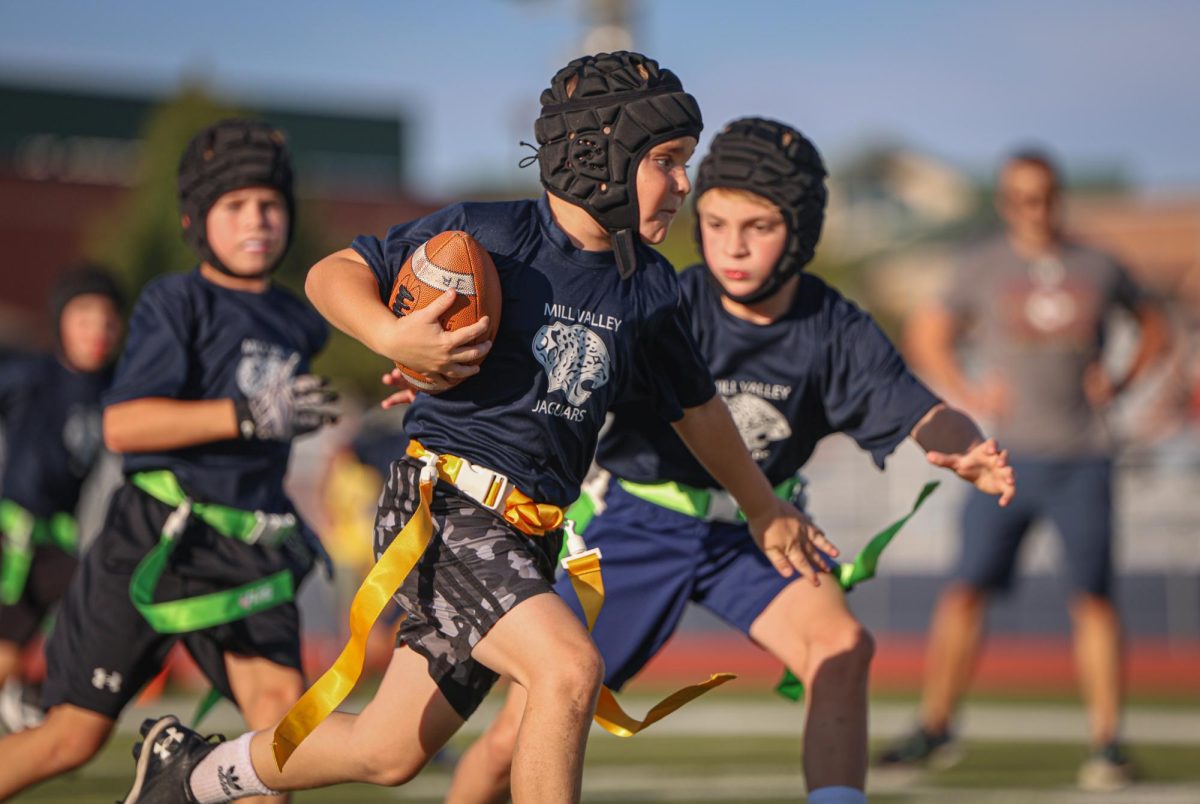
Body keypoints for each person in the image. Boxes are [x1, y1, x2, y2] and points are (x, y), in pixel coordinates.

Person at [121, 53, 836, 804]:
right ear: (598, 153)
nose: (684, 183)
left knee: (387, 750)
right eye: (666, 161)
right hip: (446, 505)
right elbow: (331, 273)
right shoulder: (487, 235)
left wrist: (763, 506)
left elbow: (698, 411)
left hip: (530, 533)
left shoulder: (650, 287)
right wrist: (391, 337)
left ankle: (191, 775)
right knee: (568, 668)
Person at [446, 118, 1016, 804]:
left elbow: (921, 409)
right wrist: (452, 371)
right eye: (715, 223)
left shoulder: (833, 327)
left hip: (762, 529)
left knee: (840, 647)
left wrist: (960, 442)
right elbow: (551, 367)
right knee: (519, 733)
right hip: (634, 525)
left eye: (759, 226)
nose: (733, 246)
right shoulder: (662, 299)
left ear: (800, 230)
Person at [0, 119, 337, 803]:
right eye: (235, 206)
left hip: (252, 549)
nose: (257, 221)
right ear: (196, 219)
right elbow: (124, 425)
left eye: (269, 205)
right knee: (72, 737)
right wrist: (246, 416)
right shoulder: (174, 301)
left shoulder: (302, 320)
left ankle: (179, 780)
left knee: (283, 743)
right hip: (159, 538)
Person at [877, 149, 1169, 792]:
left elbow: (1154, 324)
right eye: (1021, 199)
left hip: (1084, 454)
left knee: (1094, 599)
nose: (1034, 210)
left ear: (1058, 197)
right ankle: (936, 724)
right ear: (1007, 203)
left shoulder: (1099, 262)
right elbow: (928, 331)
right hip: (1005, 456)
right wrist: (967, 393)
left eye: (1044, 197)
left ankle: (1108, 743)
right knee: (965, 590)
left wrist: (1119, 381)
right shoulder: (982, 263)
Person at [0, 266, 125, 733]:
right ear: (60, 322)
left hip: (60, 537)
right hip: (16, 533)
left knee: (34, 632)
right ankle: (34, 700)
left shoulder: (117, 385)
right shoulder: (30, 375)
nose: (98, 331)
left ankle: (32, 698)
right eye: (85, 318)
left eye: (109, 320)